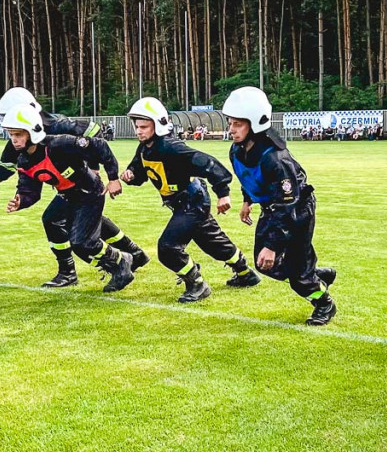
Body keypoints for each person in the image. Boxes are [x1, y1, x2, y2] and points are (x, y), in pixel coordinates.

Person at [0, 87, 147, 287]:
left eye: (16, 131)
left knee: (82, 240)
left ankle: (122, 261)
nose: (12, 138)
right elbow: (26, 184)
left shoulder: (58, 135)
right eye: (10, 131)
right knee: (55, 220)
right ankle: (72, 271)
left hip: (87, 189)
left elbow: (97, 142)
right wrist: (19, 198)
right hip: (68, 193)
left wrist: (101, 170)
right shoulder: (22, 152)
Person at [121, 97, 260, 302]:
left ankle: (197, 284)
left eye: (144, 126)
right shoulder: (145, 148)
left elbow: (208, 163)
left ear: (158, 124)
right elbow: (141, 170)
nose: (139, 131)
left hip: (192, 201)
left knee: (167, 248)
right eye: (137, 126)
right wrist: (131, 175)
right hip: (186, 202)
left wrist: (223, 192)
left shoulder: (171, 147)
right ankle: (245, 273)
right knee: (212, 241)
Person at [223, 86, 337, 325]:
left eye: (238, 124)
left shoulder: (276, 158)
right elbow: (248, 178)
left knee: (295, 274)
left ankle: (323, 302)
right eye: (230, 123)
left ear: (255, 124)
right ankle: (313, 274)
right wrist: (247, 201)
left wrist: (273, 245)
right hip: (274, 210)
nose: (231, 129)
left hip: (296, 211)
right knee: (263, 263)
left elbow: (288, 205)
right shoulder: (238, 150)